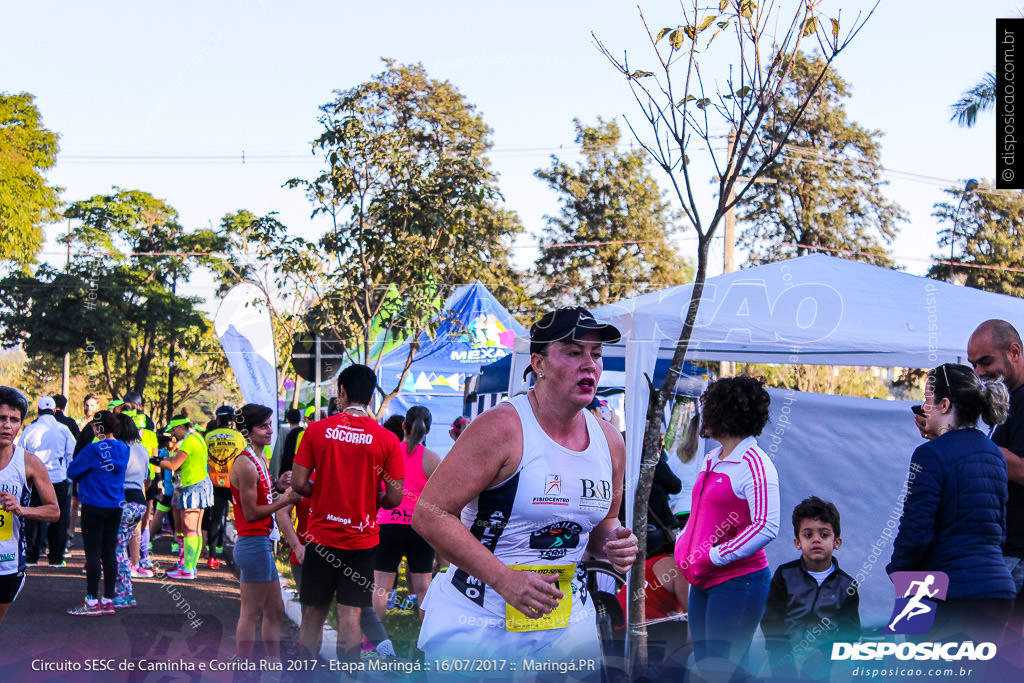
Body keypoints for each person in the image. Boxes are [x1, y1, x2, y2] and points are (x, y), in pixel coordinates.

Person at [413, 306, 638, 673]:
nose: (590, 365)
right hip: (480, 621)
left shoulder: (610, 441)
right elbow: (430, 513)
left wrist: (615, 541)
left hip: (567, 621)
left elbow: (605, 524)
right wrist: (505, 580)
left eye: (596, 354)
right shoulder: (502, 427)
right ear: (539, 363)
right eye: (573, 352)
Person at [887, 362, 1015, 641]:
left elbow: (916, 531)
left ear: (944, 404)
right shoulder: (994, 454)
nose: (923, 408)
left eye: (926, 400)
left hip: (946, 593)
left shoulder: (928, 455)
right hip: (996, 590)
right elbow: (998, 530)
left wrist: (897, 571)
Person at [291, 364, 405, 662]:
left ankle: (304, 676)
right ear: (370, 395)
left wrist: (325, 489)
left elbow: (300, 483)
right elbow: (395, 498)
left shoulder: (315, 431)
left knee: (313, 613)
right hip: (362, 543)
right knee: (351, 616)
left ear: (342, 391)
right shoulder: (388, 440)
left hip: (321, 539)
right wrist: (373, 495)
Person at [675, 375, 780, 683]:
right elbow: (700, 514)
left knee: (718, 672)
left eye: (708, 407)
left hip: (738, 582)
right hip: (702, 580)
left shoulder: (756, 464)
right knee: (713, 668)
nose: (703, 414)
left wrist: (716, 556)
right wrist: (684, 544)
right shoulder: (712, 459)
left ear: (723, 412)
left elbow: (766, 525)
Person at [229, 403, 302, 663]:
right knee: (251, 613)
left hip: (260, 544)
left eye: (270, 424)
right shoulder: (246, 464)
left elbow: (260, 500)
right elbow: (251, 514)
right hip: (253, 544)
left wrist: (276, 487)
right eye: (263, 426)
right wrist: (285, 499)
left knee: (276, 610)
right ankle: (244, 668)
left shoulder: (259, 457)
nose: (270, 430)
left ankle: (273, 665)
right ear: (248, 432)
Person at [762, 496, 860, 680]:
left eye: (824, 535)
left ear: (836, 542)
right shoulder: (784, 575)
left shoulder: (847, 585)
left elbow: (851, 632)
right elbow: (771, 619)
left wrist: (829, 656)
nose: (816, 540)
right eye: (808, 535)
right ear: (797, 542)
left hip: (824, 663)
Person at [968, 320, 1024, 597]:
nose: (979, 372)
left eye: (985, 362)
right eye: (973, 365)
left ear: (1014, 351)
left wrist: (966, 439)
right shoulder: (1009, 399)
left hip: (1016, 554)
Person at [373, 405, 442, 621]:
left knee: (381, 586)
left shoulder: (387, 453)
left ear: (403, 426)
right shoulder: (433, 459)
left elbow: (374, 490)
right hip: (418, 528)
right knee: (423, 587)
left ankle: (369, 645)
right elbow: (439, 501)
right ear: (428, 431)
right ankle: (426, 645)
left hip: (387, 525)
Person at [0, 386, 60, 624]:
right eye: (2, 418)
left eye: (14, 420)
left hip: (7, 564)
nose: (7, 425)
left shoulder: (29, 462)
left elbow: (54, 511)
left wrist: (21, 508)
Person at [66, 410, 133, 615]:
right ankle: (109, 599)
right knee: (109, 551)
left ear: (97, 428)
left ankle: (92, 600)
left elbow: (72, 471)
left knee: (93, 552)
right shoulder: (123, 448)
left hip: (93, 504)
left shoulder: (92, 449)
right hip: (115, 506)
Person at [17, 396, 74, 567]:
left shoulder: (29, 430)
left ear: (39, 410)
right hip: (58, 479)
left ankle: (31, 557)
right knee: (59, 518)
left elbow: (20, 454)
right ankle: (56, 558)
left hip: (34, 481)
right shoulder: (63, 429)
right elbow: (71, 454)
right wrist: (68, 476)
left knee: (31, 516)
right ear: (55, 409)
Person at [155, 416, 213, 580]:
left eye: (173, 430)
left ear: (181, 426)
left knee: (189, 527)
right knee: (194, 528)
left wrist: (155, 461)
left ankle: (188, 568)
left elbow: (174, 466)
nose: (172, 434)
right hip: (196, 486)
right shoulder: (196, 438)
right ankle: (190, 566)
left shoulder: (189, 441)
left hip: (193, 487)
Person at [204, 405, 246, 570]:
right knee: (241, 519)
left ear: (218, 420)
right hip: (234, 484)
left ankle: (212, 557)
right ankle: (241, 556)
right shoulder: (239, 437)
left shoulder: (208, 436)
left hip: (214, 484)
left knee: (214, 520)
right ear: (233, 420)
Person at [114, 421, 151, 608]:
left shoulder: (120, 448)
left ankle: (121, 594)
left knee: (117, 549)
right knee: (121, 549)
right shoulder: (142, 448)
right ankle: (127, 592)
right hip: (139, 502)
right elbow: (147, 478)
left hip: (123, 500)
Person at [279, 408, 304, 475]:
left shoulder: (290, 436)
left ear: (288, 420)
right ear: (299, 419)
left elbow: (287, 457)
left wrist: (282, 472)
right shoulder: (304, 433)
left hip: (291, 472)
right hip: (302, 471)